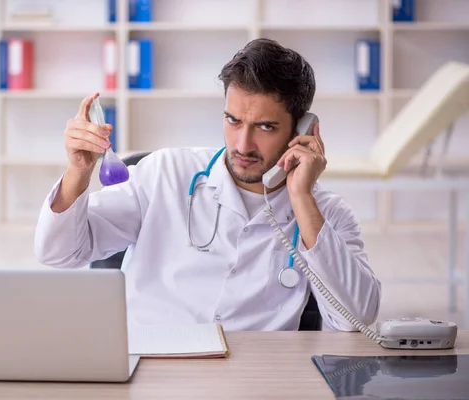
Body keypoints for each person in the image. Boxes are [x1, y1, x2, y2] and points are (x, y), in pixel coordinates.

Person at [34, 38, 381, 332]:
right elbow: (59, 253)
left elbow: (355, 320)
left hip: (255, 380)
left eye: (264, 127)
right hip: (149, 369)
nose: (243, 145)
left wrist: (302, 198)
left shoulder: (328, 214)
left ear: (301, 130)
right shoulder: (165, 174)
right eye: (233, 120)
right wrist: (78, 172)